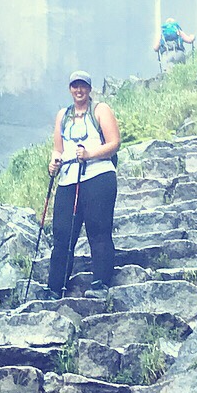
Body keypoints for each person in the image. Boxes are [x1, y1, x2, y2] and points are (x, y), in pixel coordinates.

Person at [47, 71, 121, 298]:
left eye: (83, 86)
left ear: (89, 89)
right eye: (75, 86)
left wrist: (89, 154)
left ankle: (100, 283)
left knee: (98, 230)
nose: (78, 90)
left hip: (99, 175)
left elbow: (114, 143)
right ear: (70, 89)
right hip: (68, 178)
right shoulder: (63, 115)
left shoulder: (100, 110)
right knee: (62, 234)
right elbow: (58, 149)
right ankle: (55, 287)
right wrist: (54, 161)